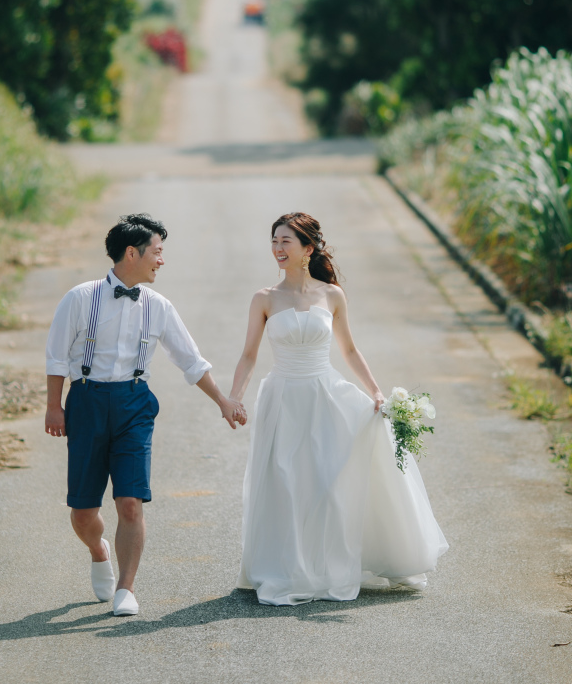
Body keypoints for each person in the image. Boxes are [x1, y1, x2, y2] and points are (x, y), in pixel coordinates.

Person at [228, 211, 448, 606]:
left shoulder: (332, 295)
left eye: (286, 242)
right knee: (285, 482)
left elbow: (348, 349)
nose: (278, 248)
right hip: (283, 398)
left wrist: (377, 392)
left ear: (307, 249)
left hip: (325, 394)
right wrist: (235, 396)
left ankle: (328, 566)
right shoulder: (264, 298)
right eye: (274, 241)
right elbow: (248, 354)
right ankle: (288, 568)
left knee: (328, 484)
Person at [45, 212, 245, 617]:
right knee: (83, 512)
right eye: (157, 252)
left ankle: (125, 589)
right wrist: (54, 405)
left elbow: (191, 361)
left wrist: (223, 400)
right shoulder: (80, 298)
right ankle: (98, 550)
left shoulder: (159, 306)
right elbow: (56, 356)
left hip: (135, 405)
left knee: (130, 503)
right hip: (85, 402)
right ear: (132, 253)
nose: (162, 260)